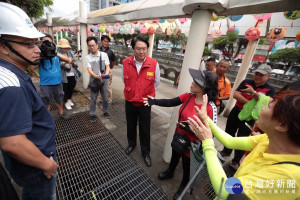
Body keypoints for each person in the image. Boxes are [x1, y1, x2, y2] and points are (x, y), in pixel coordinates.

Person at [188, 88, 300, 200]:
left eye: (269, 106)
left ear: (282, 125)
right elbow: (230, 142)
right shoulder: (268, 139)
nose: (262, 107)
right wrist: (206, 119)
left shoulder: (289, 177)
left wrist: (207, 143)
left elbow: (227, 190)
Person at [0, 2, 58, 199]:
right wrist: (47, 164)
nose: (38, 50)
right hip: (36, 166)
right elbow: (13, 143)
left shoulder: (9, 73)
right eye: (28, 44)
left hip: (31, 162)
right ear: (3, 47)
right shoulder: (11, 85)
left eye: (36, 43)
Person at [144, 69, 218, 199]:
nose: (191, 83)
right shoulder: (189, 96)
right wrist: (154, 101)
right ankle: (170, 172)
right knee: (174, 156)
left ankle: (183, 187)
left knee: (187, 168)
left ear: (202, 87)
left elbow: (210, 134)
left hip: (192, 146)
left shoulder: (210, 108)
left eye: (195, 82)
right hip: (178, 137)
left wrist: (191, 129)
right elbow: (171, 102)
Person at [221, 64, 275, 170]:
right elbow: (236, 94)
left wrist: (253, 93)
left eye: (261, 75)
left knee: (243, 137)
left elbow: (269, 102)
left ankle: (236, 160)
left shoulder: (270, 89)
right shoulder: (246, 82)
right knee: (229, 131)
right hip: (236, 110)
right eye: (256, 73)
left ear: (268, 76)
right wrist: (250, 104)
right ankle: (226, 150)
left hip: (250, 117)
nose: (257, 76)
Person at [122, 35, 160, 167]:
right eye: (138, 48)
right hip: (130, 101)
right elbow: (124, 79)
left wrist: (146, 93)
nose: (141, 51)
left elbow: (156, 82)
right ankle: (131, 144)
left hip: (145, 103)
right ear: (133, 49)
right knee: (130, 125)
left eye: (144, 48)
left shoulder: (154, 64)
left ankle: (146, 153)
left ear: (147, 49)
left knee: (145, 129)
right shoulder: (126, 62)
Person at [39, 33, 72, 120]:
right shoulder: (39, 54)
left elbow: (68, 60)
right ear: (41, 43)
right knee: (45, 100)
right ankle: (47, 117)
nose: (46, 44)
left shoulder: (56, 54)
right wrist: (41, 56)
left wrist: (54, 52)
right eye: (44, 42)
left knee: (59, 99)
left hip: (58, 82)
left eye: (48, 42)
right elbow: (32, 67)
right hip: (45, 83)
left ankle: (61, 113)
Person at [86, 36, 111, 121]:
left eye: (93, 45)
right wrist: (94, 75)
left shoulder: (104, 55)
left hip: (104, 79)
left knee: (105, 97)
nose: (91, 47)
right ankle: (92, 114)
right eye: (89, 46)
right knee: (93, 98)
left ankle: (105, 111)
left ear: (97, 45)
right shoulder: (88, 57)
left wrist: (107, 73)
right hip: (94, 80)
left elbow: (108, 66)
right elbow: (89, 69)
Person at [57, 38, 80, 110]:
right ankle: (65, 102)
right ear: (60, 47)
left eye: (66, 47)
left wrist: (72, 62)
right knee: (64, 89)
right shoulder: (58, 54)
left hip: (72, 73)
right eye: (64, 47)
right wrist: (64, 62)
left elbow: (76, 62)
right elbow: (57, 65)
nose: (65, 49)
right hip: (64, 75)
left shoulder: (70, 53)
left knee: (71, 88)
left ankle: (69, 99)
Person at [97, 35, 116, 107]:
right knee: (100, 86)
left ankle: (109, 100)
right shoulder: (98, 50)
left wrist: (110, 68)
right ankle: (101, 100)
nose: (106, 43)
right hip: (99, 71)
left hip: (108, 71)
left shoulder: (110, 52)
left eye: (107, 41)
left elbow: (114, 61)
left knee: (108, 86)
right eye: (104, 41)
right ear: (101, 41)